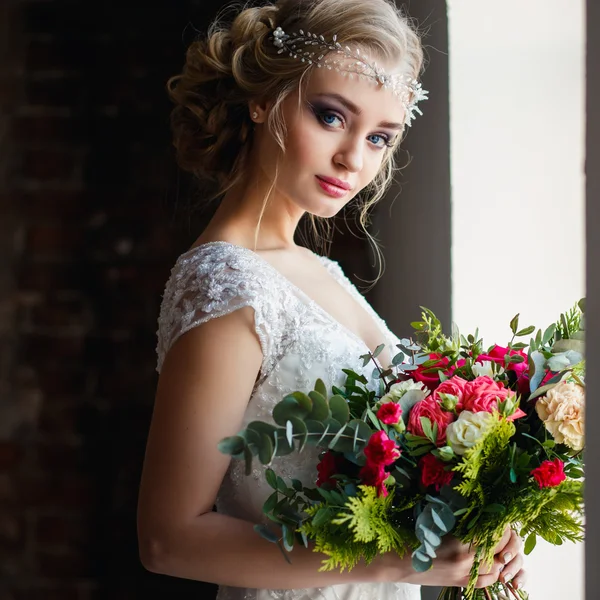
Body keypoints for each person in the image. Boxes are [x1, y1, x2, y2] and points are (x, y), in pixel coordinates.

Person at [137, 1, 527, 599]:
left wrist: (472, 522)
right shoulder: (226, 284)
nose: (354, 158)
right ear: (264, 99)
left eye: (378, 137)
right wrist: (403, 560)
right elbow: (168, 539)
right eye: (330, 117)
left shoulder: (319, 271)